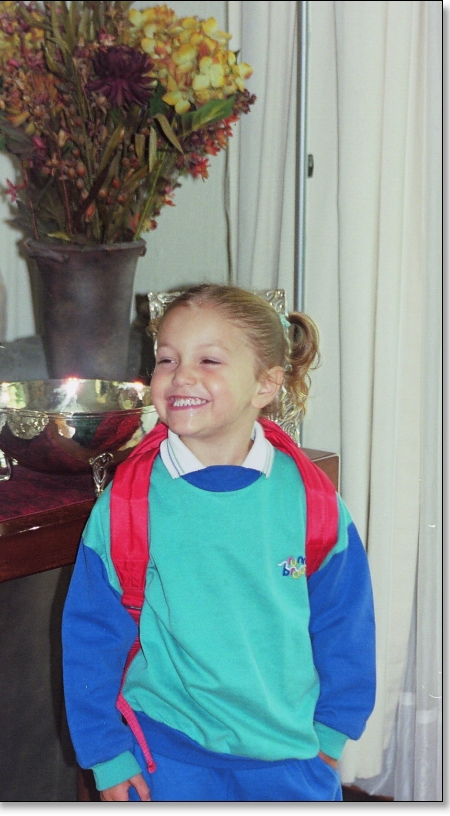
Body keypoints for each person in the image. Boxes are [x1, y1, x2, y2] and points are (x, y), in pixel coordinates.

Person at [62, 284, 375, 802]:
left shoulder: (311, 502)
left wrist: (333, 731)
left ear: (265, 384)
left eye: (208, 360)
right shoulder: (128, 504)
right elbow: (90, 635)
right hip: (165, 755)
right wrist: (106, 752)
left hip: (289, 756)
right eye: (167, 359)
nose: (181, 375)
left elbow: (346, 623)